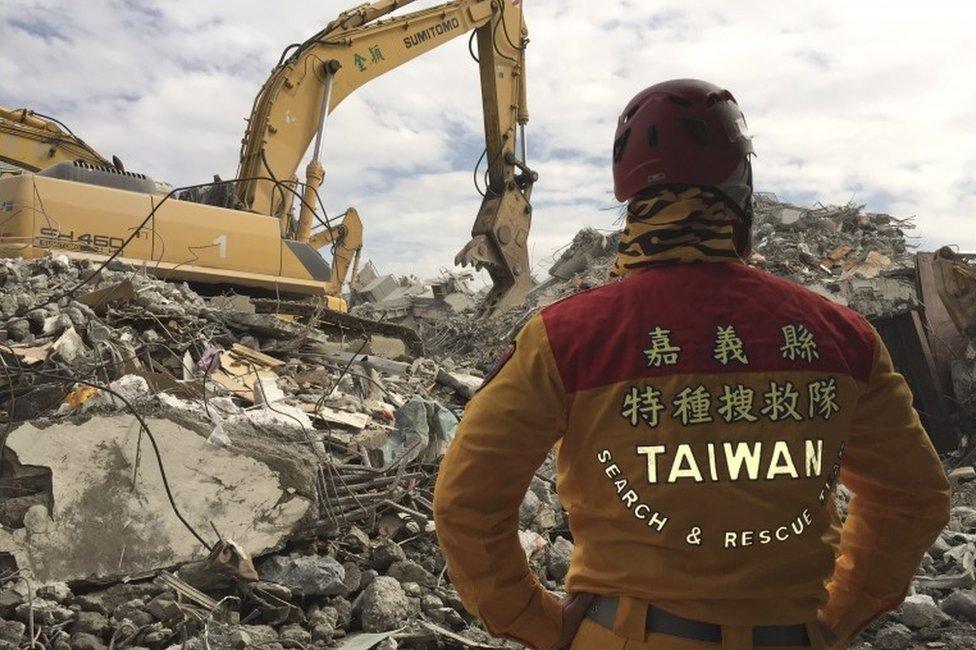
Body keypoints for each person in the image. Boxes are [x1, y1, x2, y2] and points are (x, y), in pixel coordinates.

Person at [433, 78, 950, 650]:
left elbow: (467, 501)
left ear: (630, 201)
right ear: (741, 193)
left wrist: (536, 623)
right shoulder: (844, 337)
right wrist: (839, 617)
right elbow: (914, 497)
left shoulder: (566, 336)